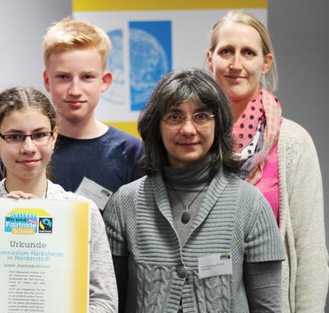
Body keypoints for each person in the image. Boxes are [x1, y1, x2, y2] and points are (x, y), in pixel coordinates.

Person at [103, 69, 286, 312]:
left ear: (218, 123)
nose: (188, 129)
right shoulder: (124, 204)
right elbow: (110, 304)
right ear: (156, 125)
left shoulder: (250, 205)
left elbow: (268, 308)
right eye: (174, 117)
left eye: (201, 116)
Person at [0, 87, 118, 312]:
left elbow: (105, 303)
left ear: (54, 136)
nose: (28, 147)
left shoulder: (81, 213)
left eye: (40, 135)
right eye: (14, 137)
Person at [206, 10, 328, 312]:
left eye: (248, 53)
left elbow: (310, 250)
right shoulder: (192, 138)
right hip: (206, 300)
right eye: (226, 52)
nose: (236, 64)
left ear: (266, 62)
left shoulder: (294, 142)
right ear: (210, 59)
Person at [42, 17, 144, 209]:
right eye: (63, 77)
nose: (75, 90)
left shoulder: (131, 152)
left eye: (87, 77)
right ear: (47, 81)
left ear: (105, 81)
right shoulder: (29, 148)